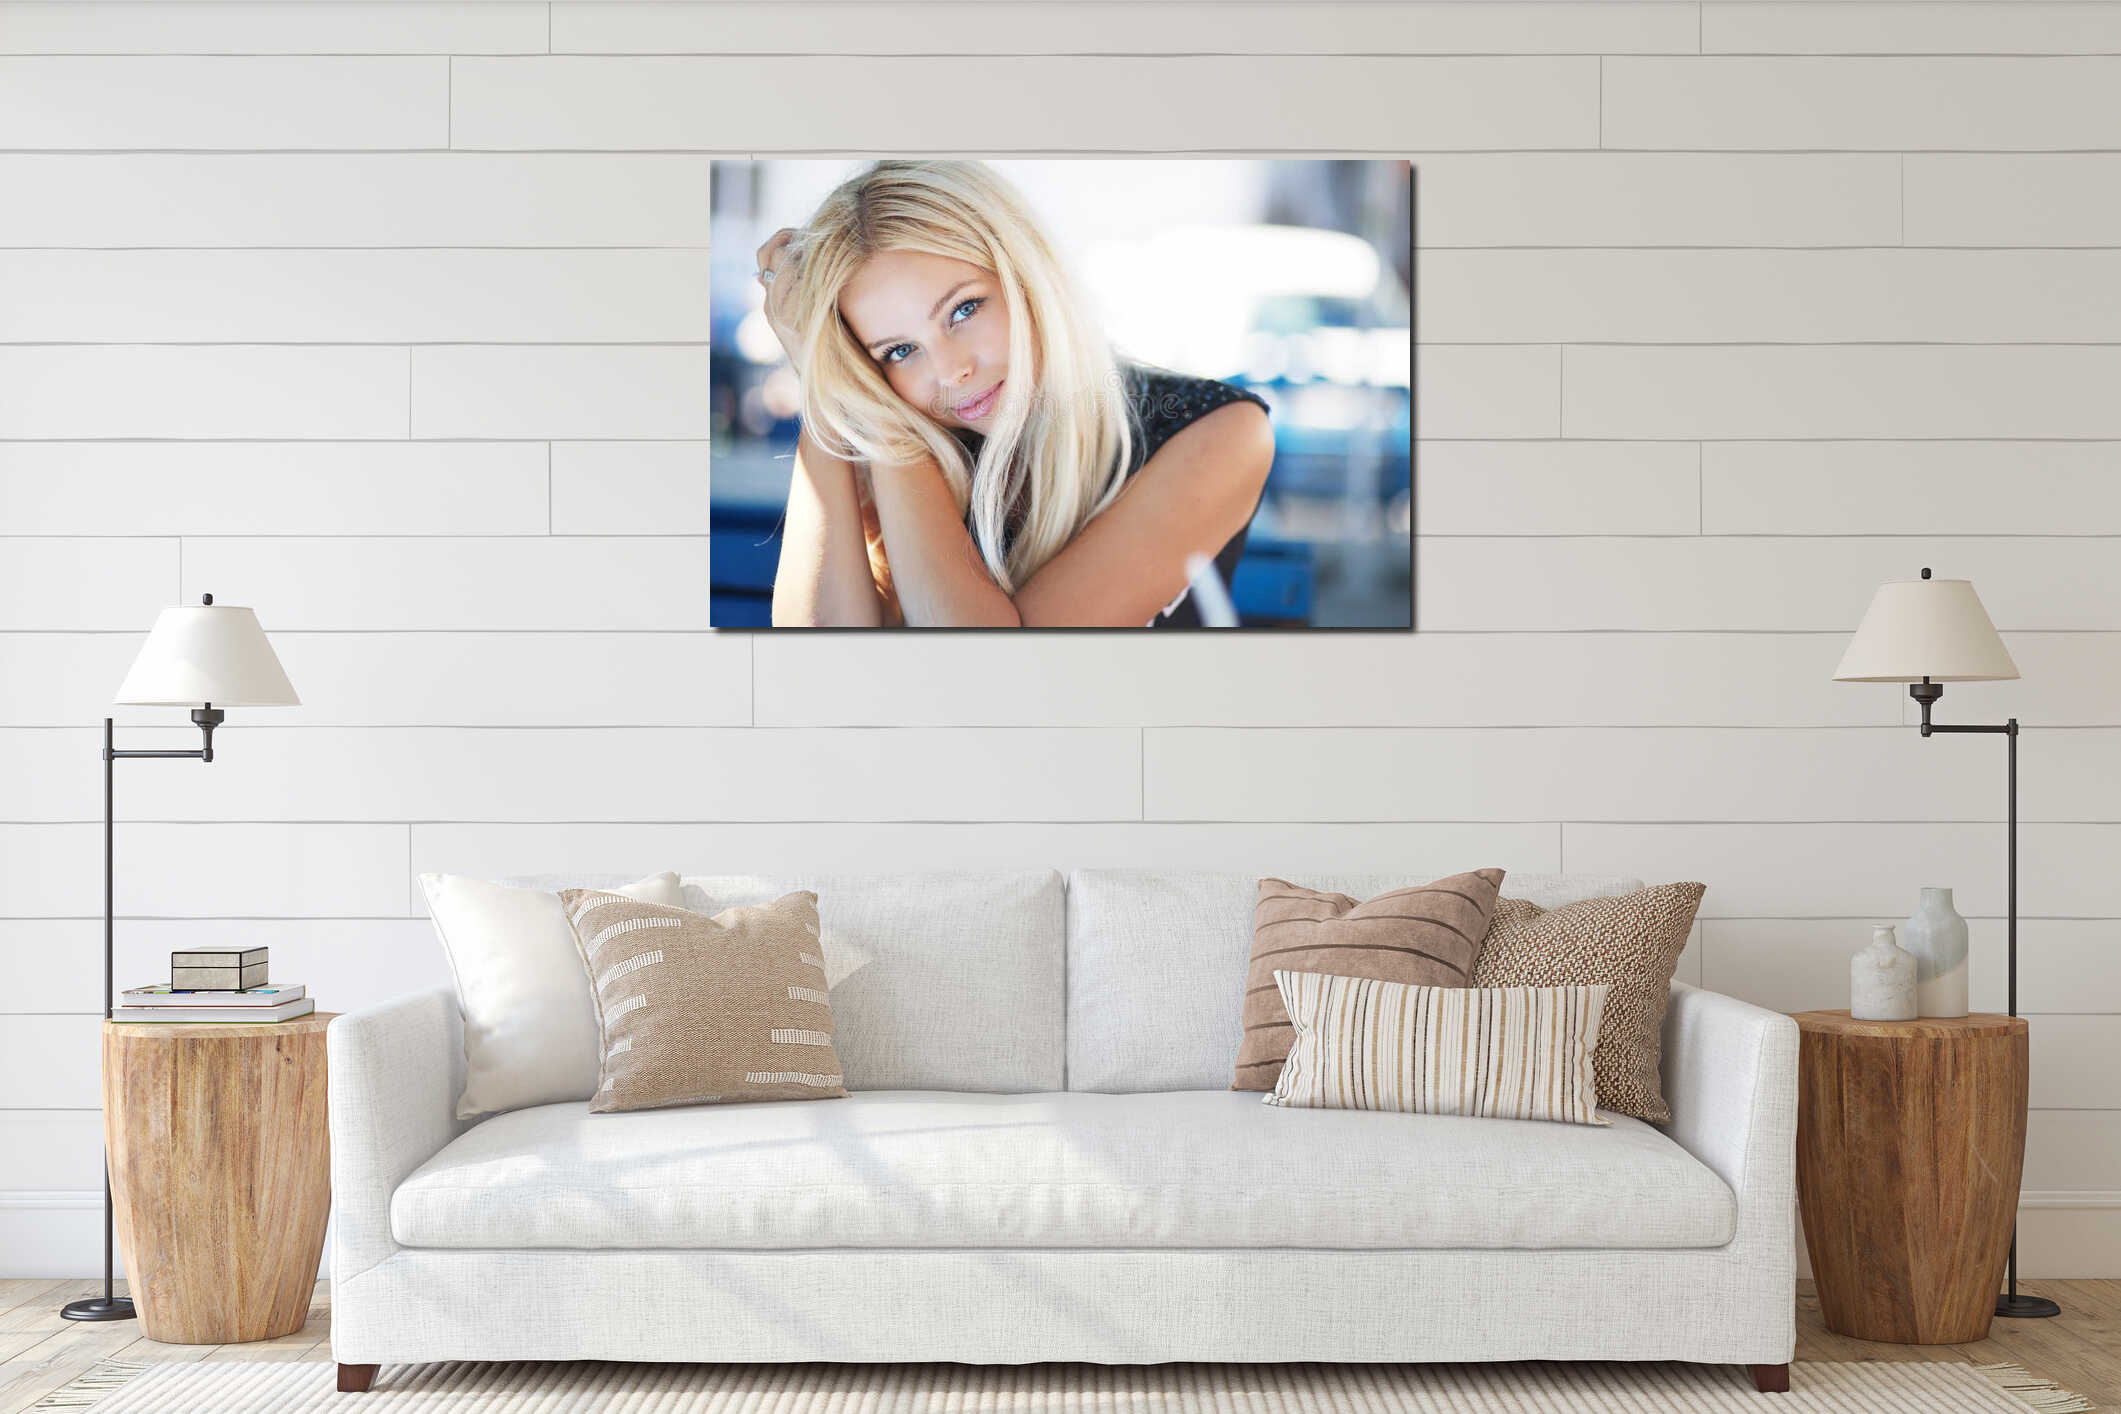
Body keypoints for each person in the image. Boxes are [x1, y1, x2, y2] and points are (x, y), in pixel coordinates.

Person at [754, 159, 1276, 628]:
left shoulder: (1216, 431)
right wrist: (827, 375)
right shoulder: (900, 436)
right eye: (898, 351)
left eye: (963, 310)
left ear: (1026, 274)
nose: (952, 370)